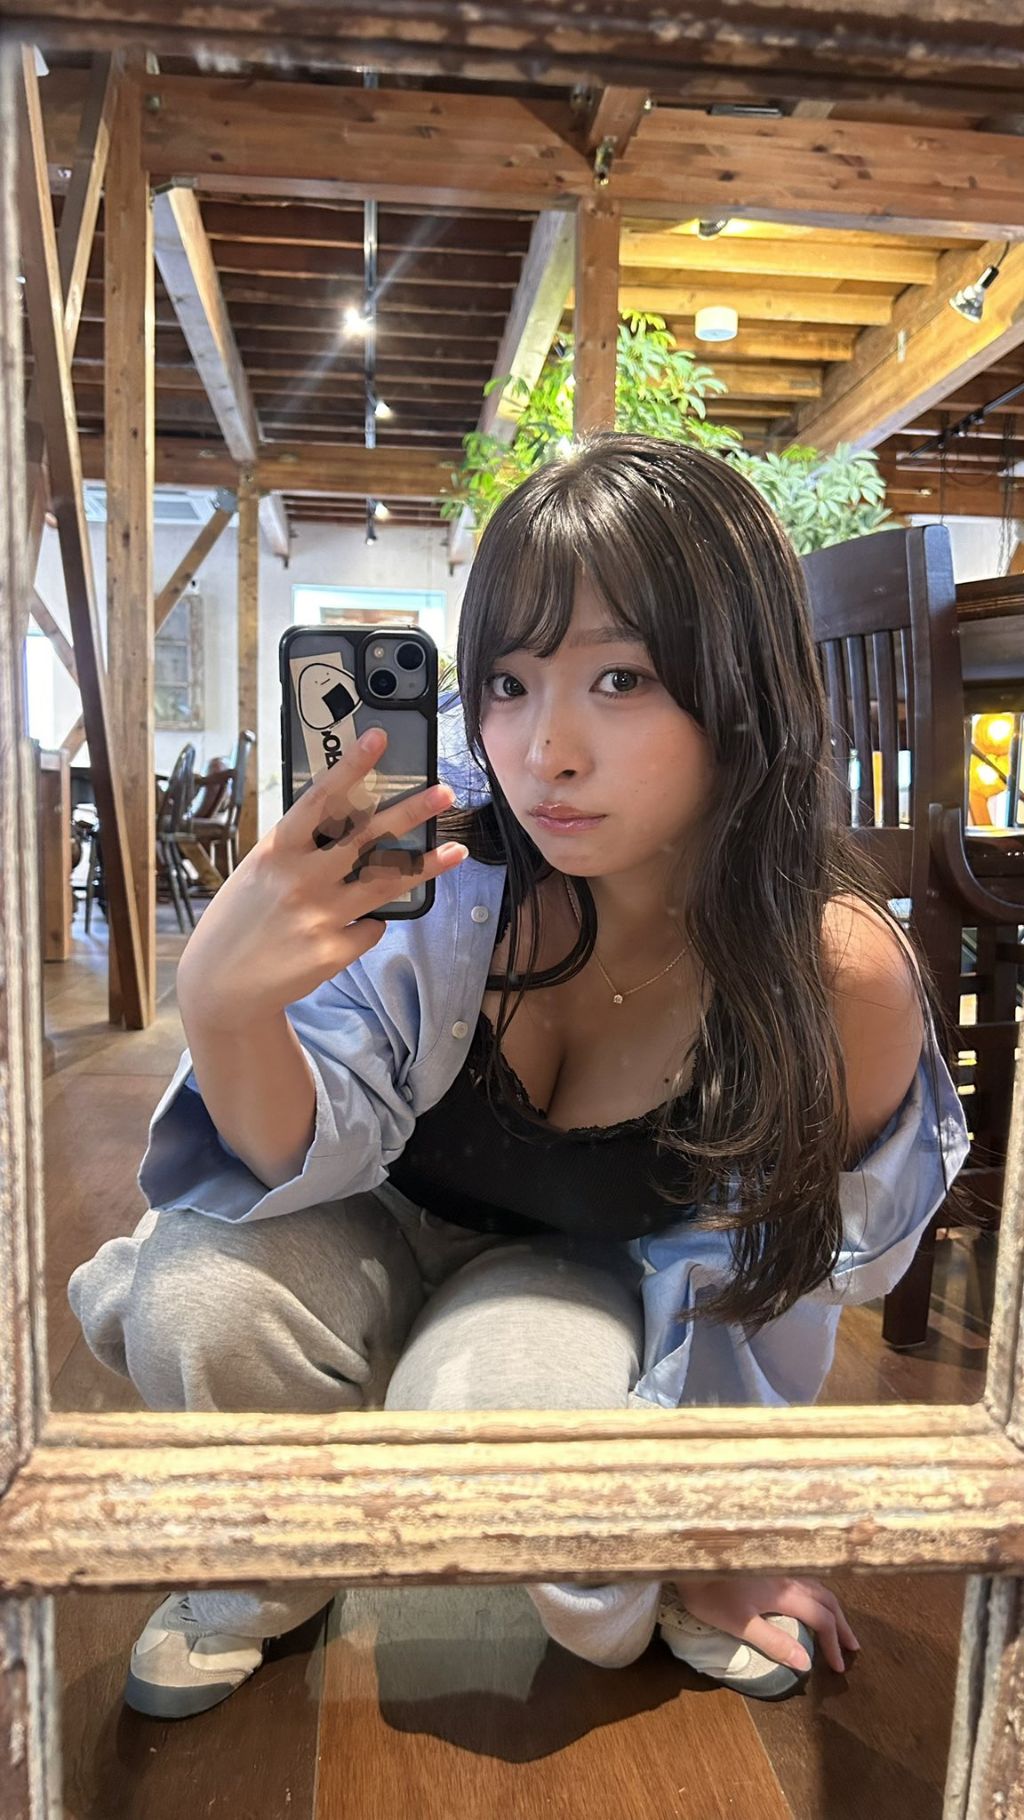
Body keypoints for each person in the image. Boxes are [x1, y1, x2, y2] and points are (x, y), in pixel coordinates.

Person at [69, 433, 970, 1721]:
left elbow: (776, 1287)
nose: (545, 750)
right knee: (199, 1297)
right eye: (507, 681)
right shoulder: (439, 867)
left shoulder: (833, 974)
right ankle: (266, 1567)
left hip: (576, 1276)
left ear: (745, 686)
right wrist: (220, 1002)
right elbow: (287, 1155)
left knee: (517, 1462)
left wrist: (715, 1539)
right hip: (366, 1221)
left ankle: (530, 1479)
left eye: (621, 678)